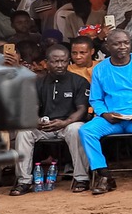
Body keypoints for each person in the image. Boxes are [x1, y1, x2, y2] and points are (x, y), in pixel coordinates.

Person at [80, 29, 132, 194]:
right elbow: (95, 99)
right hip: (112, 119)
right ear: (108, 46)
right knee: (86, 131)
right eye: (116, 43)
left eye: (126, 42)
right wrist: (104, 114)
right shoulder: (100, 69)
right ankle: (105, 176)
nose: (122, 47)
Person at [11, 42, 88, 195]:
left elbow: (82, 109)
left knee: (77, 129)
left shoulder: (79, 81)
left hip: (67, 124)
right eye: (55, 61)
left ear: (68, 61)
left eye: (63, 61)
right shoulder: (37, 82)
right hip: (44, 127)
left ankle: (81, 178)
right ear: (46, 63)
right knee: (24, 132)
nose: (60, 65)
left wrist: (65, 122)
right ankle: (23, 181)